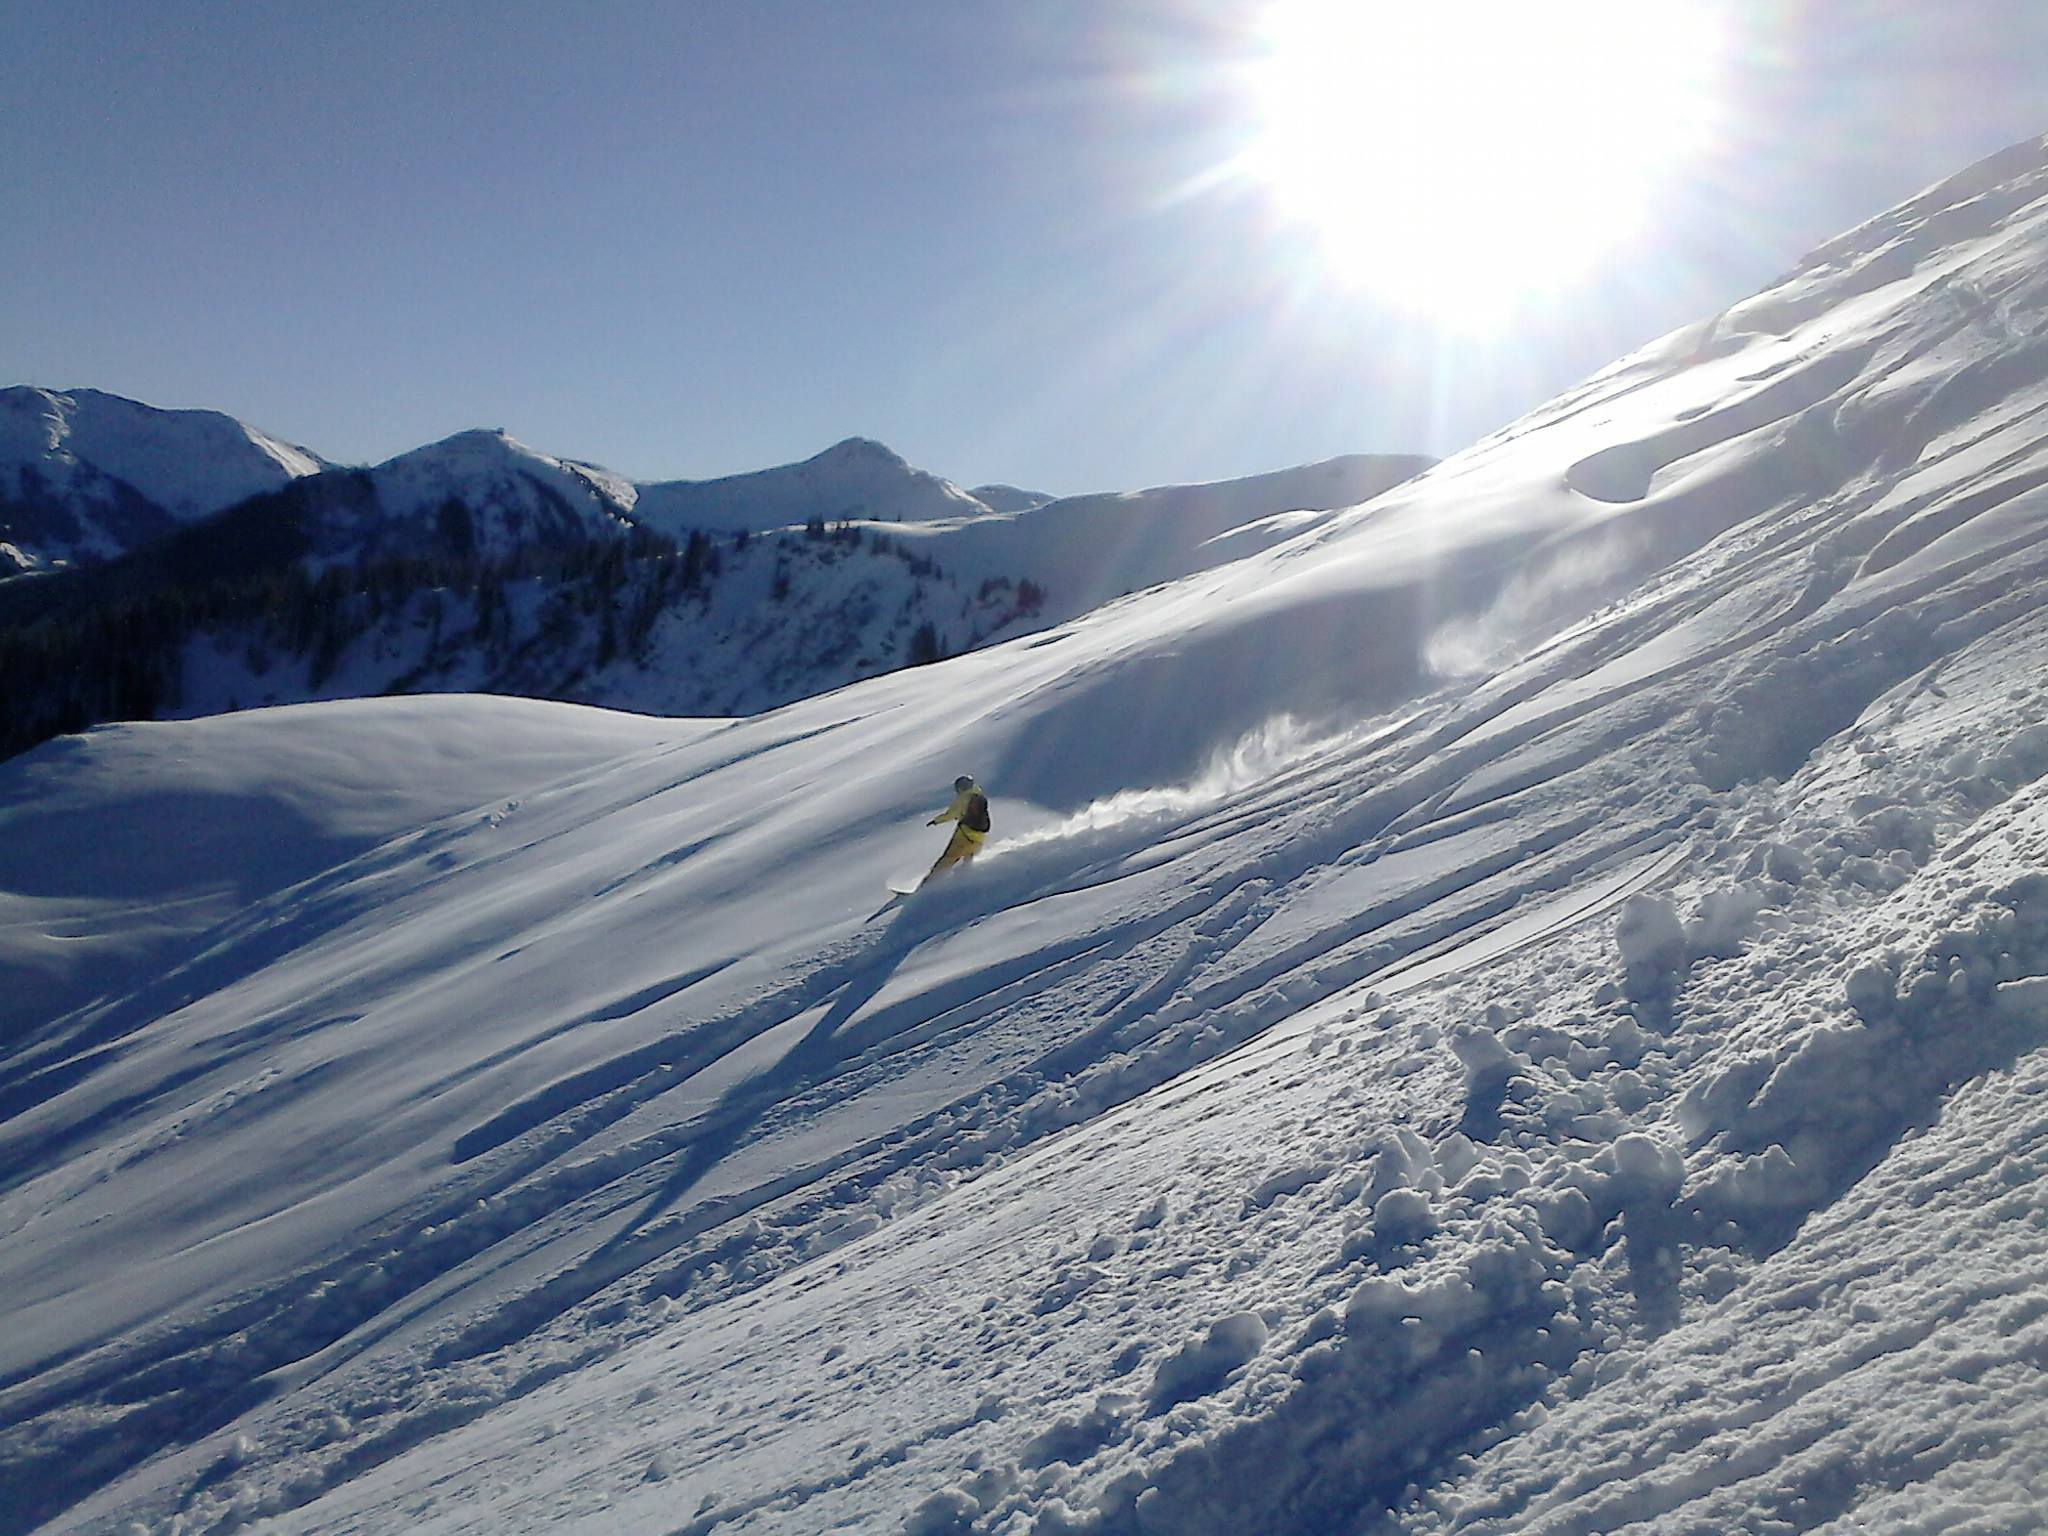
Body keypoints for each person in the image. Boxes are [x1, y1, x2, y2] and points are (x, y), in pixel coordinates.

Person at [923, 774, 990, 884]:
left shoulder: (963, 798)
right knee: (968, 859)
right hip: (980, 836)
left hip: (965, 834)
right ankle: (963, 882)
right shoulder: (979, 796)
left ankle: (930, 882)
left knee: (948, 858)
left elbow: (951, 814)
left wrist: (936, 821)